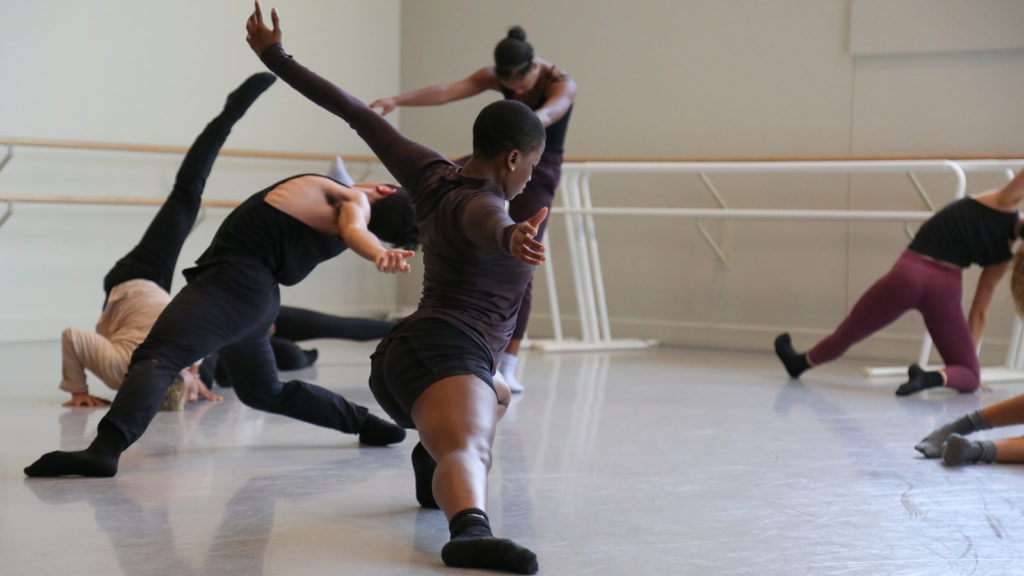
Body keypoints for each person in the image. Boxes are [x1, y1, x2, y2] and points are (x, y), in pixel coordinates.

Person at [245, 3, 543, 572]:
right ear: (512, 158)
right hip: (440, 354)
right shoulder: (486, 208)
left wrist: (275, 56)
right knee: (471, 446)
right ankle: (470, 535)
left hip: (411, 359)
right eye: (530, 164)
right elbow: (488, 224)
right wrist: (510, 241)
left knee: (496, 396)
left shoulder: (431, 174)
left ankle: (431, 465)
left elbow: (355, 112)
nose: (530, 174)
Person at [24, 73, 421, 481]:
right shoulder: (333, 222)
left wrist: (377, 253)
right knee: (264, 392)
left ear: (388, 191)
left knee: (157, 357)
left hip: (232, 285)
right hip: (258, 299)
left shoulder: (351, 200)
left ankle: (104, 451)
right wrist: (380, 246)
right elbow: (353, 230)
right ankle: (369, 424)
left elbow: (357, 226)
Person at [370, 24, 577, 393]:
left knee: (521, 255)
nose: (514, 90)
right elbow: (449, 91)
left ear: (534, 68)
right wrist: (397, 101)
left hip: (534, 162)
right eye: (506, 86)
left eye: (520, 85)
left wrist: (522, 132)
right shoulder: (495, 76)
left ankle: (507, 364)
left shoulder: (561, 83)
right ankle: (373, 204)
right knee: (440, 181)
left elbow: (544, 117)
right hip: (500, 155)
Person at [59, 72, 278, 410]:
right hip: (163, 299)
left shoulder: (118, 371)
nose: (194, 389)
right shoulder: (189, 355)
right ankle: (298, 353)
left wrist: (78, 391)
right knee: (245, 353)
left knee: (186, 197)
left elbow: (72, 336)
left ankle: (231, 111)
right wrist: (200, 378)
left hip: (134, 279)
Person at [775, 169, 1024, 396]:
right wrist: (970, 359)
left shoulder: (1004, 201)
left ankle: (801, 362)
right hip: (945, 290)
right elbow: (979, 312)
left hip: (909, 274)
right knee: (970, 376)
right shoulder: (1003, 257)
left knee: (849, 332)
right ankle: (929, 378)